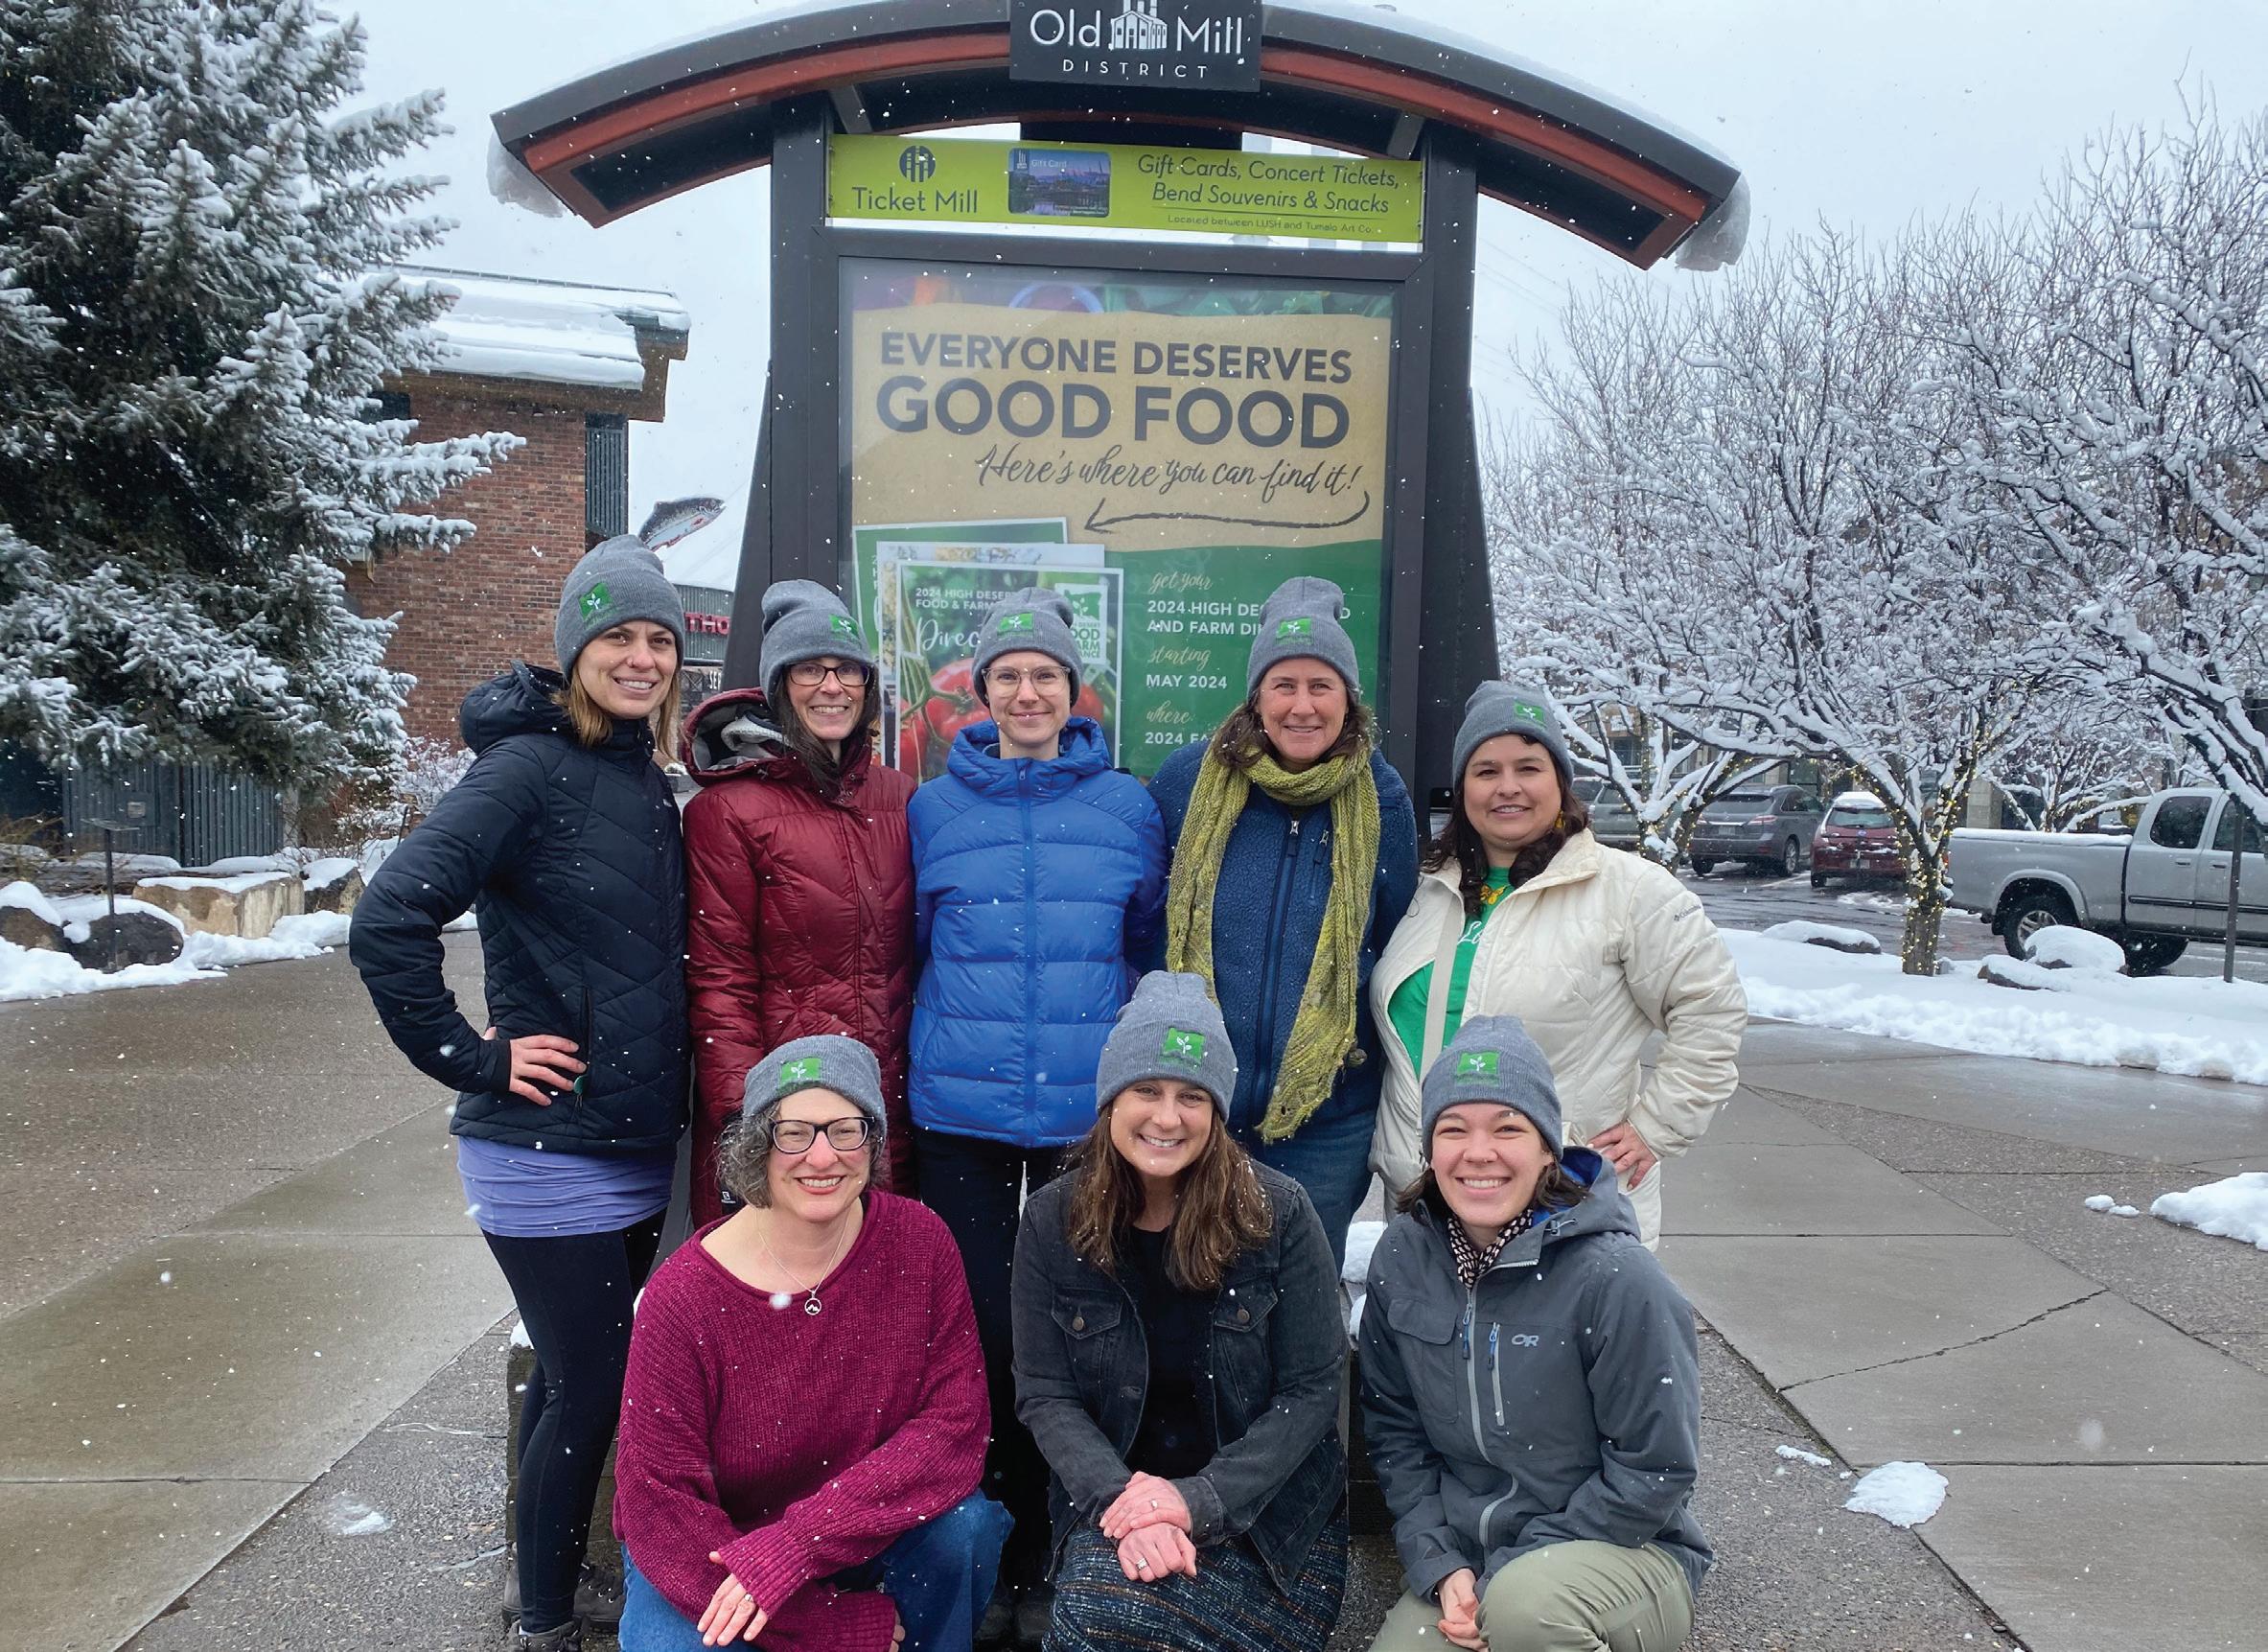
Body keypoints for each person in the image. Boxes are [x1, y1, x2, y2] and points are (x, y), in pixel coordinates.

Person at [349, 535, 691, 1651]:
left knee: (567, 1378)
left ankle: (540, 1580)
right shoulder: (525, 770)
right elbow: (389, 916)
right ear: (573, 650)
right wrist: (475, 1056)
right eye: (616, 636)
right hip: (545, 1146)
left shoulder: (638, 775)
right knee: (593, 1384)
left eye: (657, 639)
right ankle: (544, 1619)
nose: (640, 657)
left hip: (626, 1140)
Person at [908, 585, 1168, 1644]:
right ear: (981, 688)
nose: (1026, 691)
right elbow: (910, 944)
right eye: (1007, 674)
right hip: (960, 1113)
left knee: (1077, 1331)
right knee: (976, 1330)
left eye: (1045, 675)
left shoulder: (1125, 807)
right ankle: (985, 1539)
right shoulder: (933, 808)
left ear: (1072, 690)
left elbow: (1143, 942)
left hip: (1080, 1119)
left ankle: (1060, 1548)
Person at [612, 1035, 1008, 1652]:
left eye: (846, 1131)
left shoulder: (920, 1243)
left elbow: (954, 1426)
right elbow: (658, 1503)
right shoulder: (681, 1297)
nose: (822, 1157)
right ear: (756, 1149)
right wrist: (825, 1628)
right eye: (793, 1133)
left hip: (861, 1527)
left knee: (965, 1531)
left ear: (872, 1143)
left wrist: (798, 1545)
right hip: (715, 1553)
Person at [1012, 971, 1349, 1652]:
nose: (1167, 1118)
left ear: (1216, 1111)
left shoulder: (1279, 1213)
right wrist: (1128, 1502)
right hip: (1117, 1503)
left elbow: (1313, 1391)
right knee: (1098, 1613)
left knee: (1106, 1621)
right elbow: (1046, 1394)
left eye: (1191, 1096)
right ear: (1111, 1099)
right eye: (1147, 1090)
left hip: (1268, 1520)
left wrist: (1195, 1500)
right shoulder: (1053, 1219)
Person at [1359, 1016, 1709, 1652]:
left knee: (1524, 1611)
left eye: (1508, 1128)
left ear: (1549, 1147)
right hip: (1471, 1555)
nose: (1479, 1152)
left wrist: (1506, 1574)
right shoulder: (1403, 1258)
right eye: (1453, 1129)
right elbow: (1396, 1434)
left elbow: (1655, 1469)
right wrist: (1442, 1563)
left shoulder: (1616, 1276)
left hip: (1623, 1551)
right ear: (1430, 1149)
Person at [1369, 683, 1745, 1249]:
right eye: (1486, 770)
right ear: (1463, 788)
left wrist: (1656, 1127)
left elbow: (1711, 1010)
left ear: (1561, 782)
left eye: (1529, 767)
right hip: (1427, 1203)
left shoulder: (1629, 891)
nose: (1508, 787)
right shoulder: (1428, 891)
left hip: (1562, 1208)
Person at [1149, 576, 1419, 1268]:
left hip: (1327, 1118)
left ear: (1347, 698)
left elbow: (1391, 938)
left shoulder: (1382, 797)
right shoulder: (1187, 781)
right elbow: (1152, 927)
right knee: (1187, 1283)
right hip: (1196, 1099)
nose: (1303, 705)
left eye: (1321, 685)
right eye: (1284, 685)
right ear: (1256, 697)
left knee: (1301, 1291)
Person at [683, 578, 916, 1222]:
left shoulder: (900, 797)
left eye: (848, 669)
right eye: (809, 669)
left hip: (885, 1107)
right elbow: (720, 981)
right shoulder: (728, 811)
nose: (832, 686)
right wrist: (747, 1123)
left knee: (879, 1270)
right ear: (779, 685)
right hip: (789, 1117)